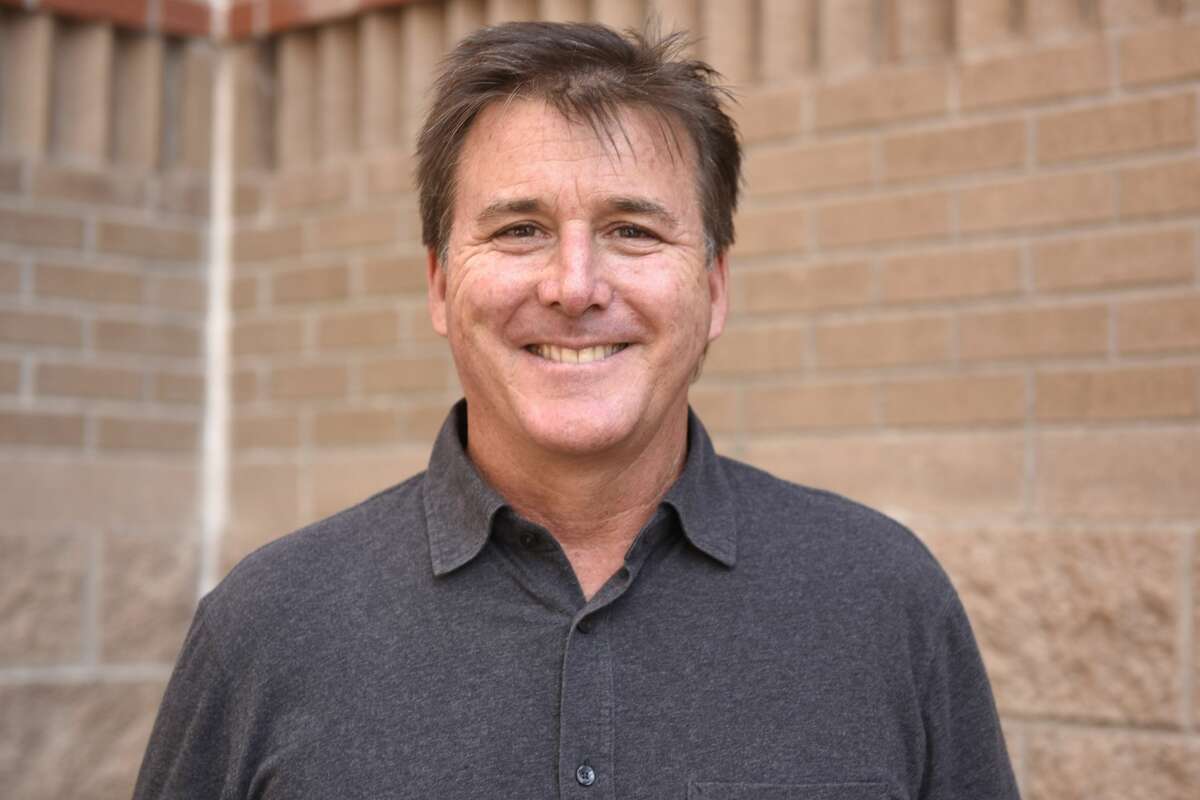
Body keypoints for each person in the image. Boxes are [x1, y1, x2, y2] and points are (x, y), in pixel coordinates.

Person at [134, 21, 1019, 800]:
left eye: (633, 230)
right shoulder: (266, 625)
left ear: (713, 289)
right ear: (441, 285)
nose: (575, 286)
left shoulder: (885, 600)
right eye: (519, 229)